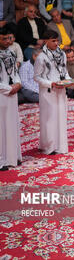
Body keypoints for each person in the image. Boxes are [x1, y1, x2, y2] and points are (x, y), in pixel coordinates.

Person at [34, 29, 71, 155]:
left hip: (61, 90)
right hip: (48, 92)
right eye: (53, 41)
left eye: (57, 40)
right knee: (49, 119)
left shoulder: (62, 54)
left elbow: (65, 72)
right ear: (45, 41)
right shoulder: (41, 58)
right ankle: (49, 146)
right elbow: (36, 77)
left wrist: (69, 81)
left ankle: (60, 145)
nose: (56, 43)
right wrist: (50, 83)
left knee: (61, 116)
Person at [0, 27, 22, 171]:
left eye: (9, 38)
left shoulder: (11, 53)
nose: (8, 41)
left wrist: (18, 83)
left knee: (12, 124)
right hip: (2, 94)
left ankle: (13, 156)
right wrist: (10, 88)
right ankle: (2, 160)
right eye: (4, 39)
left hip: (12, 93)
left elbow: (14, 72)